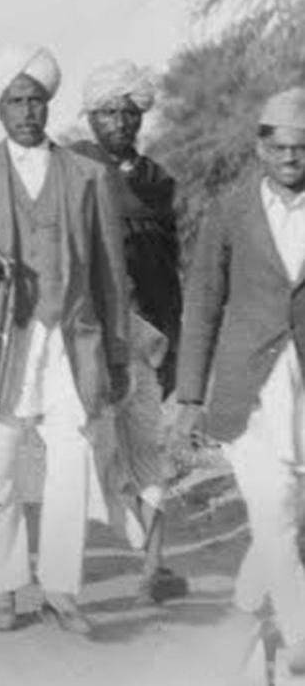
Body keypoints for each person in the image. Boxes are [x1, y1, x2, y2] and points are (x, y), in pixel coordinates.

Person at [0, 45, 129, 636]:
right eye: (15, 101)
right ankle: (1, 586)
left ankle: (62, 590)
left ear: (49, 104)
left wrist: (117, 356)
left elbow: (111, 275)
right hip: (0, 345)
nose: (27, 111)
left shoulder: (88, 176)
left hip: (70, 343)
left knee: (72, 466)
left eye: (36, 100)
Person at [172, 87, 305, 675]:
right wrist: (189, 396)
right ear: (260, 147)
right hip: (248, 388)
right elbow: (202, 304)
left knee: (288, 517)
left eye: (303, 147)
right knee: (273, 509)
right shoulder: (229, 211)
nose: (292, 158)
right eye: (281, 147)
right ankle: (299, 637)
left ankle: (246, 610)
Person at [71, 60, 187, 606]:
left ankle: (153, 567)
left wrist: (173, 340)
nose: (119, 121)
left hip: (144, 336)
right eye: (107, 112)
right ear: (90, 117)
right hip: (85, 334)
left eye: (128, 112)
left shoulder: (158, 182)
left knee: (146, 450)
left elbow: (167, 268)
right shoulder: (71, 170)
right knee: (83, 454)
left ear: (141, 116)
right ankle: (65, 578)